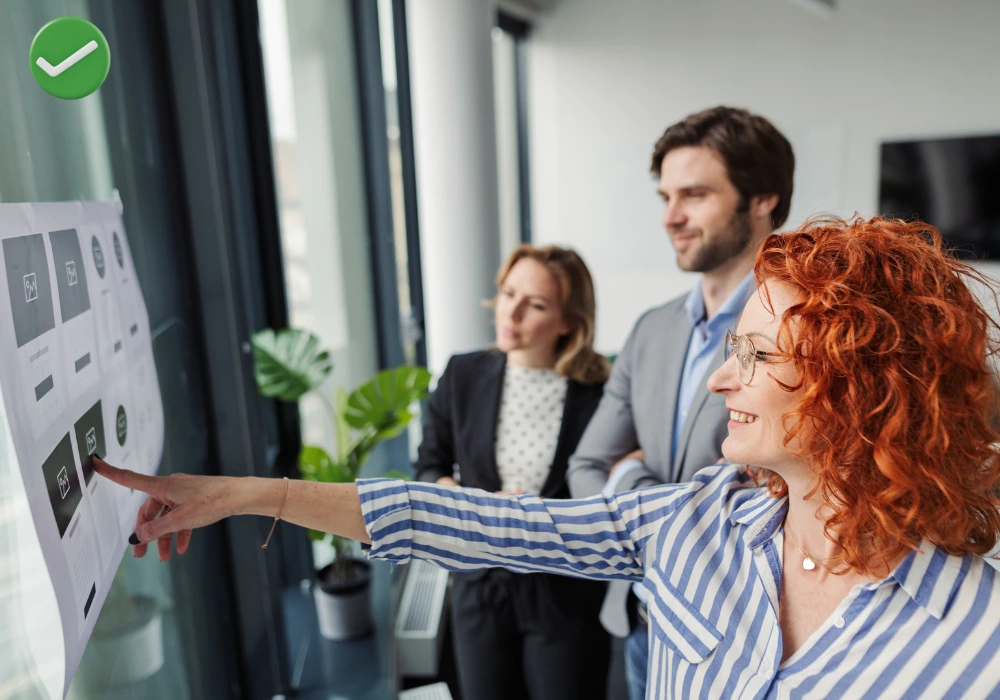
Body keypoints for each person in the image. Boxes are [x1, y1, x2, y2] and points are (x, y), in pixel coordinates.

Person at [97, 216, 1000, 699]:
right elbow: (487, 520)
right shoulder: (698, 516)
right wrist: (246, 494)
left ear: (865, 392)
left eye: (757, 355)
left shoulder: (979, 644)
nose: (721, 378)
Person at [565, 106, 795, 699]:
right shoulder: (651, 330)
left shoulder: (798, 334)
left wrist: (629, 478)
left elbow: (785, 502)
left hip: (741, 643)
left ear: (762, 198)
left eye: (694, 194)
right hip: (642, 626)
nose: (671, 216)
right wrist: (678, 516)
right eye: (666, 196)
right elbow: (586, 466)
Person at [411, 244, 612, 700]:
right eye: (508, 294)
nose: (511, 312)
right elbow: (429, 465)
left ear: (567, 322)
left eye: (535, 305)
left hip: (561, 590)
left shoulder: (599, 394)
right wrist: (470, 503)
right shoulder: (462, 374)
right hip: (480, 582)